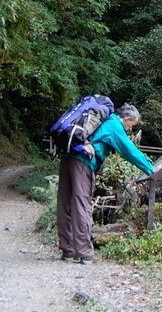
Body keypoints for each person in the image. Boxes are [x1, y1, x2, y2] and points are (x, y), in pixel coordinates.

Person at [57, 103, 154, 263]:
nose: (130, 130)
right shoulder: (114, 125)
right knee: (82, 203)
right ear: (127, 118)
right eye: (132, 125)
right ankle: (85, 253)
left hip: (67, 157)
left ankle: (68, 249)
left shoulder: (103, 120)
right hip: (82, 162)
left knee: (65, 203)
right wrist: (151, 169)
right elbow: (129, 151)